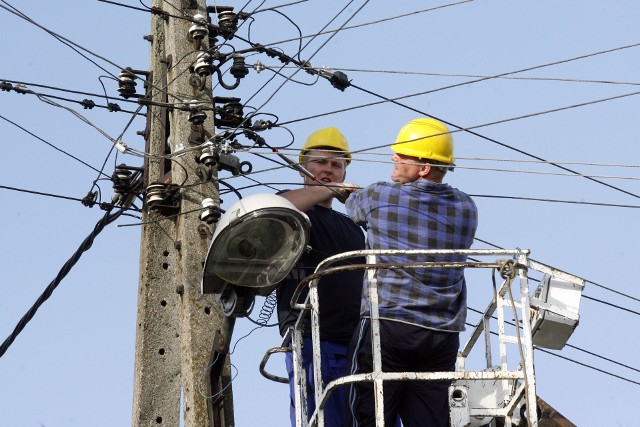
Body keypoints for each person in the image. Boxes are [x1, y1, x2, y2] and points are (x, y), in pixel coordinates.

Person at [343, 118, 479, 427]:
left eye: (403, 155)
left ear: (424, 168)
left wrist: (350, 193)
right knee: (430, 420)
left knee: (370, 415)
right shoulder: (467, 208)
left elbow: (355, 207)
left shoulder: (379, 196)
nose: (394, 158)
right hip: (442, 335)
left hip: (388, 327)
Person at [275, 126, 365, 427]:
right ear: (303, 167)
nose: (328, 169)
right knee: (319, 418)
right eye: (320, 162)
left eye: (336, 165)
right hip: (310, 338)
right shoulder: (291, 210)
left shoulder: (352, 227)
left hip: (356, 342)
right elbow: (281, 207)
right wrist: (328, 191)